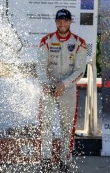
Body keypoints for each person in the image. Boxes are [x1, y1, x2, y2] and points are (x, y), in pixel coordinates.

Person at [37, 9, 87, 172]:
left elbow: (80, 70)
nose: (62, 24)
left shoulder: (79, 42)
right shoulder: (46, 41)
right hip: (49, 88)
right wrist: (46, 83)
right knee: (46, 125)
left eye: (65, 21)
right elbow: (40, 66)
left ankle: (65, 160)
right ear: (56, 22)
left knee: (67, 126)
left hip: (68, 89)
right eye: (60, 21)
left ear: (70, 21)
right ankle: (45, 160)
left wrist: (64, 84)